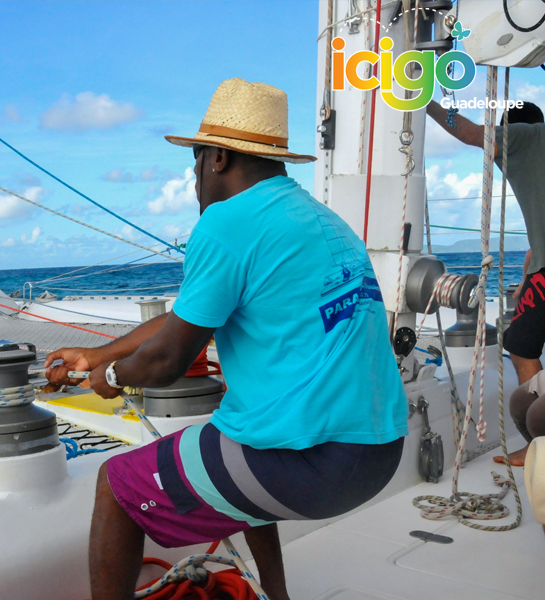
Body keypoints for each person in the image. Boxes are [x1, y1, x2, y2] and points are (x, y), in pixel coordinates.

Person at [45, 79, 408, 600]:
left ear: (214, 158)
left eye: (193, 163)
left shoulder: (226, 223)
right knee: (233, 438)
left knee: (117, 485)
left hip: (318, 465)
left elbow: (168, 359)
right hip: (379, 453)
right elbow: (189, 319)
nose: (193, 179)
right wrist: (102, 352)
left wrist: (112, 376)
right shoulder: (320, 219)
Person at [427, 100, 545, 466]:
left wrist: (425, 105)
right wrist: (530, 264)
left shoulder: (525, 137)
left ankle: (539, 448)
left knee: (521, 344)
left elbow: (467, 132)